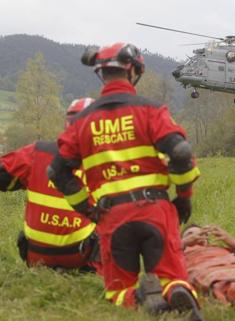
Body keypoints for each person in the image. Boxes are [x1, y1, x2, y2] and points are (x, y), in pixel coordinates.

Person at [47, 42, 202, 320]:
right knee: (174, 277)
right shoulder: (151, 111)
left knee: (118, 292)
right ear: (132, 70)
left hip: (112, 215)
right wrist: (184, 197)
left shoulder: (82, 121)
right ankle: (175, 293)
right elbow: (181, 153)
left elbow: (57, 172)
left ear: (101, 74)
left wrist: (86, 209)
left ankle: (140, 297)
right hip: (155, 210)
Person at [0, 98, 97, 271]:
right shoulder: (106, 160)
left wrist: (31, 179)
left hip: (36, 257)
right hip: (81, 258)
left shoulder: (38, 152)